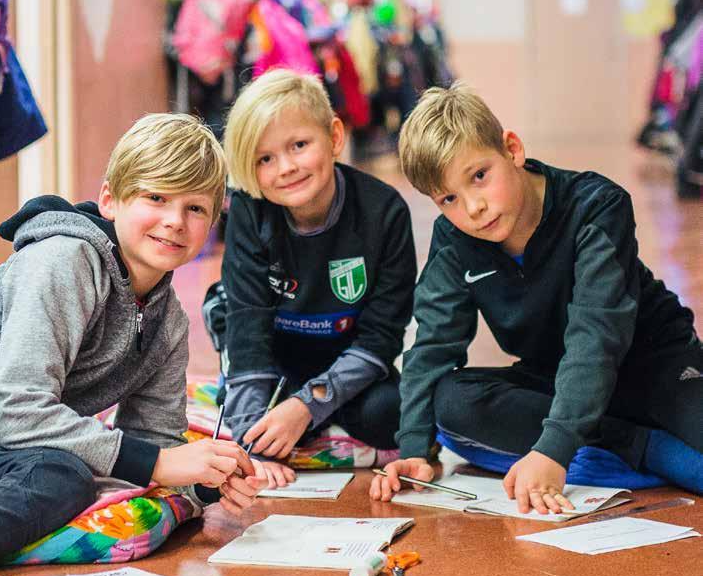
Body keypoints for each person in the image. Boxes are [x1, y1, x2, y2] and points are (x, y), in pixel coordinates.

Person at [0, 113, 263, 576]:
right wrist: (161, 463)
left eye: (195, 208)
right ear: (111, 199)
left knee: (63, 479)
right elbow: (21, 410)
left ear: (212, 222)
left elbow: (154, 445)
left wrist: (206, 479)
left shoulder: (168, 322)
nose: (174, 221)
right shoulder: (65, 259)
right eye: (156, 197)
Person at [371, 82, 702, 514]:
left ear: (512, 149)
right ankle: (641, 447)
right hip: (553, 378)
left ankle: (605, 447)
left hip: (654, 366)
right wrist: (413, 448)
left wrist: (553, 450)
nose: (473, 208)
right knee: (449, 402)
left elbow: (596, 335)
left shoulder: (597, 206)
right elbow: (433, 343)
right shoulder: (454, 239)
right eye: (449, 198)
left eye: (479, 177)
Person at [214, 68, 417, 487]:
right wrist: (253, 445)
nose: (286, 167)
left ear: (335, 137)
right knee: (250, 418)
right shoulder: (249, 213)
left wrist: (307, 406)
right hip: (276, 362)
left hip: (348, 363)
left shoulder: (386, 212)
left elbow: (381, 338)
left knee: (391, 416)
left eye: (299, 146)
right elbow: (249, 335)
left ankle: (310, 415)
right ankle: (291, 416)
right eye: (264, 159)